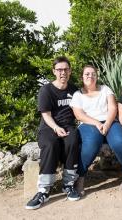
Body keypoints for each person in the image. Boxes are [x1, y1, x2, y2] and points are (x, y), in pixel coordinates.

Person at [70, 65, 122, 195]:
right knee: (91, 144)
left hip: (110, 121)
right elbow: (79, 115)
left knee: (120, 142)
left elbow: (113, 108)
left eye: (93, 74)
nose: (90, 76)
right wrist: (97, 123)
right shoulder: (78, 94)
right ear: (82, 77)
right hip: (88, 123)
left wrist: (106, 124)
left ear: (97, 76)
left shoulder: (105, 89)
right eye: (87, 74)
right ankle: (80, 177)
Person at [25, 56, 80, 210]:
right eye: (59, 70)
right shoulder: (46, 90)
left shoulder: (74, 90)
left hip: (68, 126)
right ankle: (44, 190)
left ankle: (68, 185)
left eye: (65, 69)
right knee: (50, 144)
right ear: (54, 71)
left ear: (70, 71)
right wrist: (56, 128)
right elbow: (46, 115)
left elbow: (79, 111)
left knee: (73, 141)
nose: (63, 72)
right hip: (49, 127)